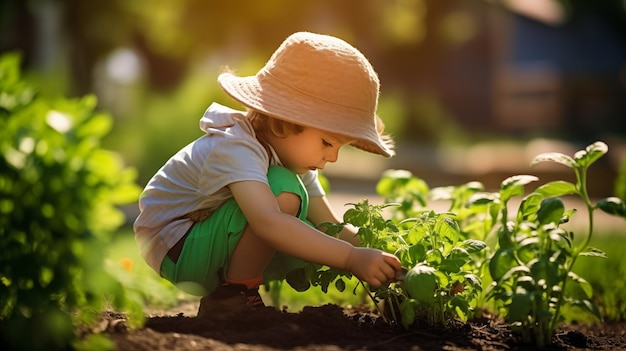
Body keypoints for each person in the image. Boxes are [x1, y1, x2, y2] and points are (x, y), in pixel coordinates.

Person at [134, 31, 402, 317]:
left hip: (201, 235)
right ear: (285, 121)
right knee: (285, 193)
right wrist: (350, 258)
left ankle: (236, 292)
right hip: (174, 244)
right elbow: (268, 223)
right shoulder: (237, 146)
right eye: (326, 143)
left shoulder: (291, 159)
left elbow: (328, 224)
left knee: (299, 210)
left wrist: (386, 260)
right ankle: (232, 298)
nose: (332, 157)